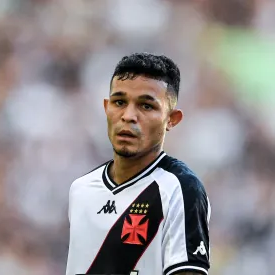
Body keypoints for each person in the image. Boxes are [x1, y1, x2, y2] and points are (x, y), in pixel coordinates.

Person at [66, 53, 211, 275]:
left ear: (171, 119)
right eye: (119, 102)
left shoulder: (180, 189)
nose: (128, 116)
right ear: (106, 107)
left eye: (146, 106)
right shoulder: (81, 189)